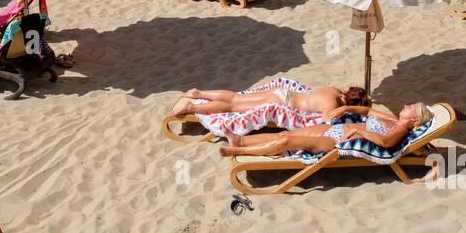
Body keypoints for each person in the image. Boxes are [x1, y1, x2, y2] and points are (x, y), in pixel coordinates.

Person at [219, 102, 431, 156]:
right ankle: (241, 140)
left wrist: (360, 132)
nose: (405, 106)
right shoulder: (392, 119)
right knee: (284, 134)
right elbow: (366, 111)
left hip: (337, 141)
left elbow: (385, 143)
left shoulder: (401, 130)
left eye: (409, 107)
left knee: (286, 142)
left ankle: (238, 151)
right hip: (336, 129)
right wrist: (346, 107)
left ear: (414, 118)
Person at [173, 80, 369, 116]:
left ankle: (199, 93)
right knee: (231, 107)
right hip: (281, 102)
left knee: (235, 97)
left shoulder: (334, 90)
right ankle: (192, 108)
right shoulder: (332, 104)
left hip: (282, 92)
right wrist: (349, 109)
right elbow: (327, 120)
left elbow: (344, 92)